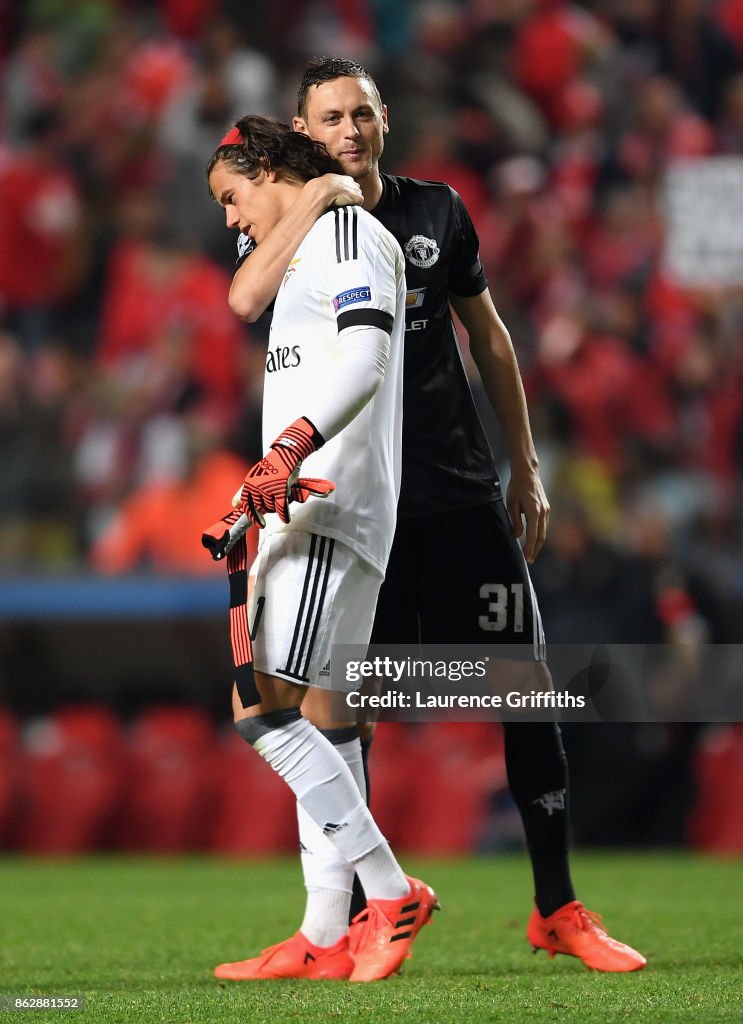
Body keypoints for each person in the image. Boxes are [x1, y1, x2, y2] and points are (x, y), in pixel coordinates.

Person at [223, 59, 646, 975]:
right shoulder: (296, 226)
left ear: (384, 122)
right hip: (362, 494)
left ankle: (556, 907)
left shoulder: (435, 214)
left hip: (452, 489)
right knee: (333, 701)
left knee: (524, 684)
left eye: (364, 113)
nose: (350, 128)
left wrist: (524, 465)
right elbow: (246, 298)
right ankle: (332, 926)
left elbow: (486, 335)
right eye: (331, 116)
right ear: (302, 131)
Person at [205, 114, 438, 983]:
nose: (231, 220)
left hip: (325, 503)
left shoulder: (347, 233)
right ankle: (324, 935)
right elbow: (250, 301)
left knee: (259, 704)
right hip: (314, 498)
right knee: (322, 719)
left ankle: (388, 889)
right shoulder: (310, 238)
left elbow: (367, 356)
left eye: (232, 197)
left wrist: (289, 449)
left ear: (264, 167)